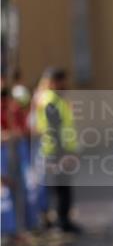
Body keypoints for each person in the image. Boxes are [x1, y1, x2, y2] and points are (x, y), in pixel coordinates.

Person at [34, 67, 81, 233]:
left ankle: (61, 220)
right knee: (60, 188)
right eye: (62, 81)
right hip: (56, 151)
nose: (66, 84)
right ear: (54, 82)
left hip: (58, 150)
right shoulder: (50, 101)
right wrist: (64, 154)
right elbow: (54, 129)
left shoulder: (55, 99)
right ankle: (61, 222)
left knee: (61, 187)